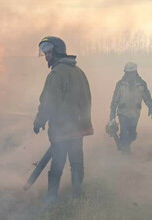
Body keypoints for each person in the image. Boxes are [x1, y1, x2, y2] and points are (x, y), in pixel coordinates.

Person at [34, 36, 93, 206]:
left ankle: (51, 197)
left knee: (57, 164)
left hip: (62, 128)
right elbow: (87, 99)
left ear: (57, 52)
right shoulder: (79, 71)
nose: (46, 56)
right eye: (44, 53)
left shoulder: (56, 74)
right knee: (76, 161)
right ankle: (77, 195)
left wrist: (39, 121)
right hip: (79, 126)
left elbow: (48, 102)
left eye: (48, 53)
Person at [108, 62, 152, 154]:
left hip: (135, 113)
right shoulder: (120, 84)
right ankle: (125, 152)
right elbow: (115, 100)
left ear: (135, 72)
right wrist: (112, 115)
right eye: (127, 73)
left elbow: (147, 97)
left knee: (133, 135)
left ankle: (122, 146)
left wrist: (151, 107)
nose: (129, 75)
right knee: (124, 133)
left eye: (131, 72)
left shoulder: (141, 84)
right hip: (123, 113)